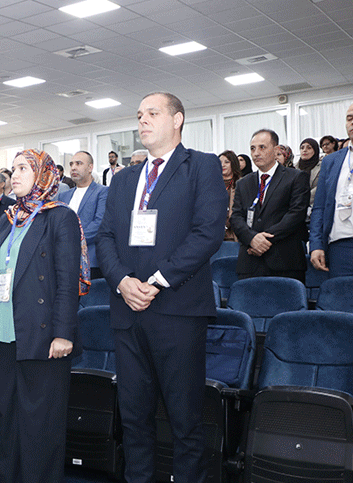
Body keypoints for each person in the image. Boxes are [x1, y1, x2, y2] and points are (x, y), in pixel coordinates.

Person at [97, 92, 228, 483]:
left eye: (152, 113)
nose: (142, 120)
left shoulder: (201, 166)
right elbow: (105, 237)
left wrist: (156, 281)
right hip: (127, 311)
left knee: (184, 418)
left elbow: (208, 233)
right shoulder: (124, 178)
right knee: (134, 416)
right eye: (139, 115)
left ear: (177, 119)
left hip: (177, 309)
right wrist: (122, 281)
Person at [0, 149, 84, 483]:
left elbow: (67, 281)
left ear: (44, 174)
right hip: (2, 333)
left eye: (24, 168)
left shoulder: (60, 217)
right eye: (14, 169)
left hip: (42, 336)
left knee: (40, 425)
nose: (15, 175)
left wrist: (63, 333)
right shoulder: (9, 218)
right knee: (5, 419)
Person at [230, 129, 310, 282]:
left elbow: (296, 214)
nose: (256, 153)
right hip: (250, 263)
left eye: (262, 147)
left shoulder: (296, 177)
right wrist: (252, 239)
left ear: (276, 150)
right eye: (252, 148)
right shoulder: (243, 183)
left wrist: (262, 240)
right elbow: (236, 217)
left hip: (285, 262)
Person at [310, 102, 353, 278]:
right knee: (340, 295)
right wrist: (316, 245)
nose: (352, 122)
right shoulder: (331, 161)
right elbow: (319, 207)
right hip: (339, 246)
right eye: (349, 118)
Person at [58, 151, 108, 279]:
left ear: (90, 167)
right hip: (64, 261)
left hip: (90, 262)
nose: (73, 168)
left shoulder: (102, 192)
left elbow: (99, 224)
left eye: (78, 163)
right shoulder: (63, 196)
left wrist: (69, 239)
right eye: (71, 164)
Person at [219, 150, 242, 241]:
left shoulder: (242, 183)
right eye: (220, 162)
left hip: (234, 234)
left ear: (233, 164)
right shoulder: (211, 183)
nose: (222, 165)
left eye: (227, 162)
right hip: (215, 233)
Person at [297, 138, 322, 217]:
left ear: (315, 150)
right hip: (295, 208)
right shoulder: (294, 168)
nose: (304, 150)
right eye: (302, 148)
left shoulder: (322, 166)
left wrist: (303, 198)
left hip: (315, 207)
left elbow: (320, 186)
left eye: (309, 148)